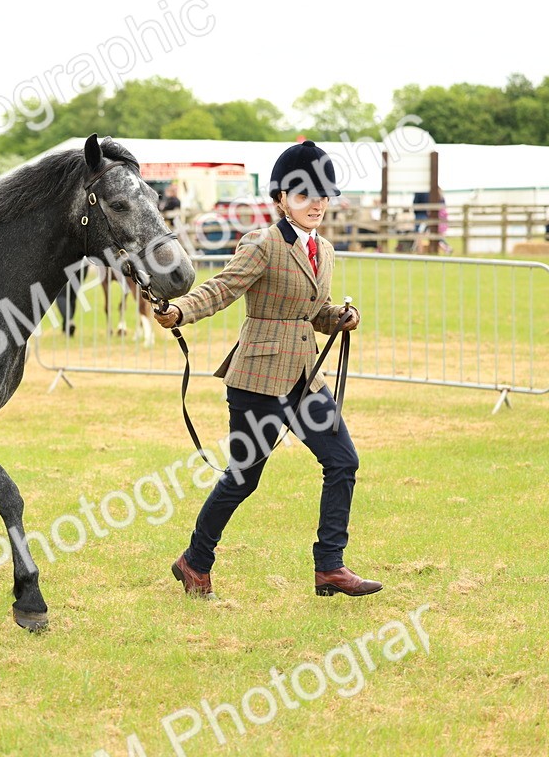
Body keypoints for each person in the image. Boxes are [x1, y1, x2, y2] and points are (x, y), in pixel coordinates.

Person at [154, 140, 380, 600]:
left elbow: (310, 312)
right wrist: (180, 312)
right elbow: (222, 289)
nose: (315, 204)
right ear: (281, 199)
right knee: (244, 476)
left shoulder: (326, 250)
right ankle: (194, 562)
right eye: (303, 195)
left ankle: (330, 567)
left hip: (304, 376)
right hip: (258, 380)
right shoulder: (262, 243)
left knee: (342, 461)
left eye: (322, 195)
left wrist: (338, 317)